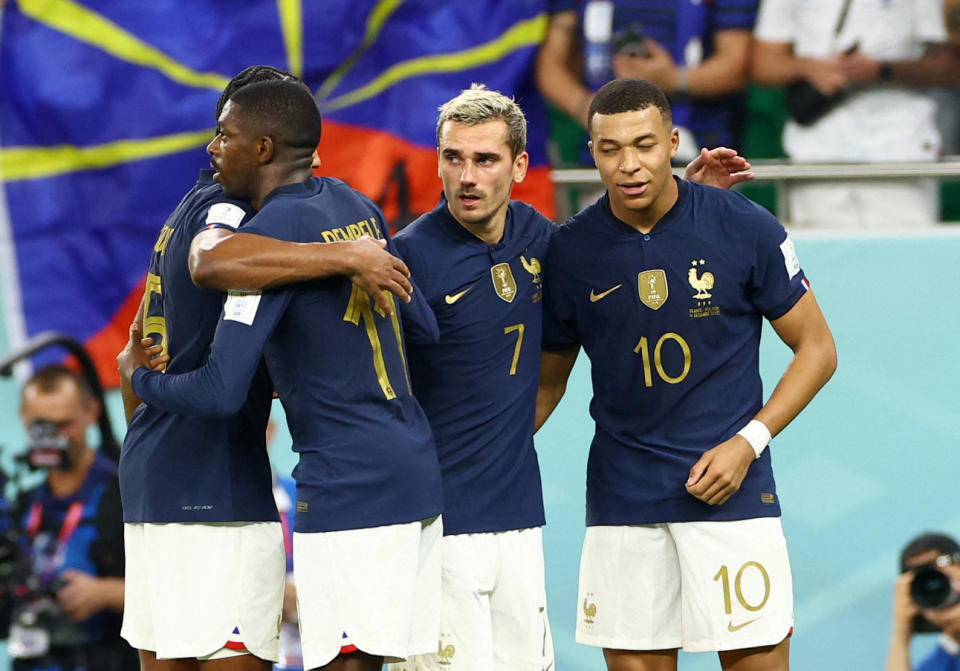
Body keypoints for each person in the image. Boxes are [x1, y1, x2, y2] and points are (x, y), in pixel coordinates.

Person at [156, 77, 752, 670]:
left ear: (519, 167)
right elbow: (343, 365)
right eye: (453, 158)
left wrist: (680, 198)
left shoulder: (541, 239)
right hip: (435, 523)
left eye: (486, 160)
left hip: (518, 519)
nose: (468, 177)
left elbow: (611, 245)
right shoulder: (405, 257)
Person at [118, 79, 444, 671]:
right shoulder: (357, 208)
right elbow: (423, 327)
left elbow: (219, 385)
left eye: (225, 133)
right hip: (413, 471)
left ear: (264, 147)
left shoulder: (257, 240)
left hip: (336, 483)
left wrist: (138, 381)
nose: (212, 146)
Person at [536, 78, 837, 671]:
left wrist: (747, 444)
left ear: (673, 141)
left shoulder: (743, 226)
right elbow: (547, 385)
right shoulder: (569, 254)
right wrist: (481, 456)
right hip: (623, 502)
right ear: (591, 152)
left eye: (645, 145)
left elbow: (818, 350)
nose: (629, 164)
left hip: (734, 498)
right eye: (611, 149)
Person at [752, 0, 954, 228]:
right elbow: (764, 64)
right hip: (816, 152)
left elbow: (950, 65)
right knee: (819, 260)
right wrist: (809, 67)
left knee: (905, 258)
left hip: (901, 149)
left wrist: (882, 70)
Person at [7, 365, 137, 671]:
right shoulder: (21, 505)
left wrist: (105, 593)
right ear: (24, 419)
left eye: (65, 424)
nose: (52, 438)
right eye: (41, 425)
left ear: (91, 411)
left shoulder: (128, 495)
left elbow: (178, 589)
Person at [536, 0, 758, 163]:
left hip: (698, 155)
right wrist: (586, 106)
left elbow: (737, 65)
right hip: (606, 156)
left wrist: (672, 80)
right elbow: (550, 64)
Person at [887, 532, 960, 671]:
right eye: (921, 583)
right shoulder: (937, 665)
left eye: (940, 574)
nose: (933, 586)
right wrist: (900, 633)